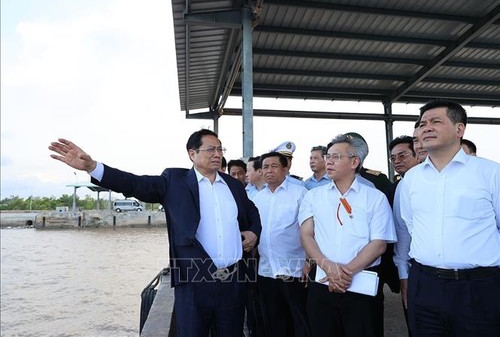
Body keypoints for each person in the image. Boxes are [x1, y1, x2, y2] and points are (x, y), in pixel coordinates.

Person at [48, 129, 262, 337]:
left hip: (233, 281)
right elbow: (134, 183)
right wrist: (93, 167)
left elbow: (252, 213)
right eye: (210, 149)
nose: (217, 154)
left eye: (220, 149)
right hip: (194, 281)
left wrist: (253, 232)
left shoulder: (234, 186)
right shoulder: (174, 181)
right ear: (192, 153)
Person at [398, 99, 500, 336]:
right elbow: (410, 225)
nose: (426, 128)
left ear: (459, 129)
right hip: (425, 283)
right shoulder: (412, 179)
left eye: (435, 121)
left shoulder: (490, 173)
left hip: (478, 288)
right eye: (422, 124)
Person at [299, 134, 396, 337]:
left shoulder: (375, 197)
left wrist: (343, 274)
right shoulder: (313, 196)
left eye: (336, 156)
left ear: (354, 161)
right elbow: (307, 235)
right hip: (323, 284)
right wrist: (329, 268)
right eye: (328, 156)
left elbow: (379, 244)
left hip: (362, 287)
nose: (329, 161)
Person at [253, 151, 310, 337]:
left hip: (294, 269)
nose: (269, 171)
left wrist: (309, 262)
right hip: (266, 270)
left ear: (285, 168)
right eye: (265, 167)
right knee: (273, 322)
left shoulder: (300, 194)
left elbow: (311, 232)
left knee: (299, 321)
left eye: (274, 166)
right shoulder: (257, 199)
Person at [389, 134, 419, 336]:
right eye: (393, 158)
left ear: (418, 154)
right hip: (416, 269)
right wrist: (403, 275)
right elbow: (402, 232)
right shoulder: (403, 185)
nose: (397, 161)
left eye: (402, 155)